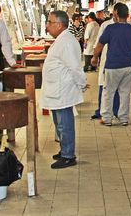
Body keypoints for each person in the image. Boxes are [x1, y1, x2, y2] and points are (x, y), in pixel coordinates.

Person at [41, 11, 88, 169]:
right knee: (58, 122)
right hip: (57, 89)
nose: (47, 25)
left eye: (49, 22)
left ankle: (68, 155)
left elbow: (74, 67)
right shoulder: (61, 39)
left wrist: (82, 83)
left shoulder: (66, 41)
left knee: (64, 123)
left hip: (62, 90)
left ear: (59, 25)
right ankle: (64, 150)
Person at [92, 3, 131, 126]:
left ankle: (107, 118)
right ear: (128, 15)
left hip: (112, 66)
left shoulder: (110, 28)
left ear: (116, 14)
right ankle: (124, 118)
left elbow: (100, 44)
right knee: (125, 93)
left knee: (108, 92)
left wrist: (94, 58)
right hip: (128, 66)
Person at [90, 12, 120, 120]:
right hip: (107, 59)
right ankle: (101, 110)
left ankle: (116, 111)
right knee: (104, 86)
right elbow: (99, 43)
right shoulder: (106, 25)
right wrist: (95, 57)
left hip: (120, 62)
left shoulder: (128, 26)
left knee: (117, 88)